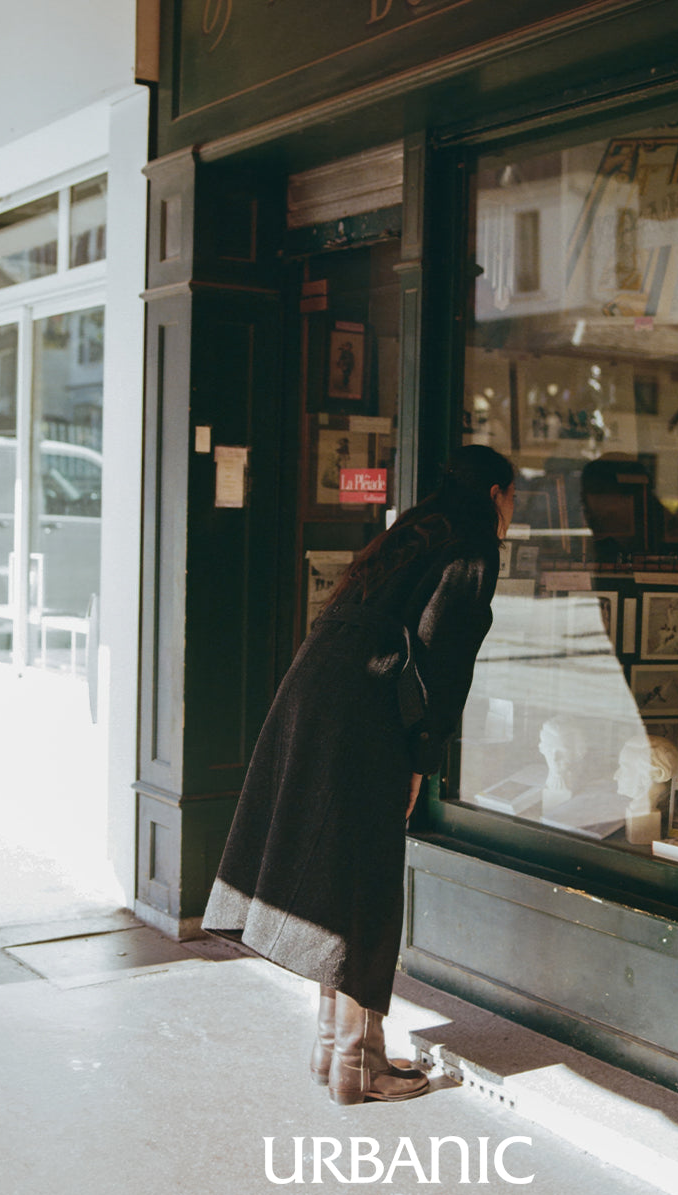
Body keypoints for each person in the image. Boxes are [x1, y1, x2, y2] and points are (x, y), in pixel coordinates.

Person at [202, 444, 515, 1105]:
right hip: (366, 715)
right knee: (367, 882)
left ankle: (334, 1051)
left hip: (315, 695)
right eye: (514, 499)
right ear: (495, 494)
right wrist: (421, 760)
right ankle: (358, 1064)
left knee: (339, 875)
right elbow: (444, 656)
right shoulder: (473, 547)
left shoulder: (414, 529)